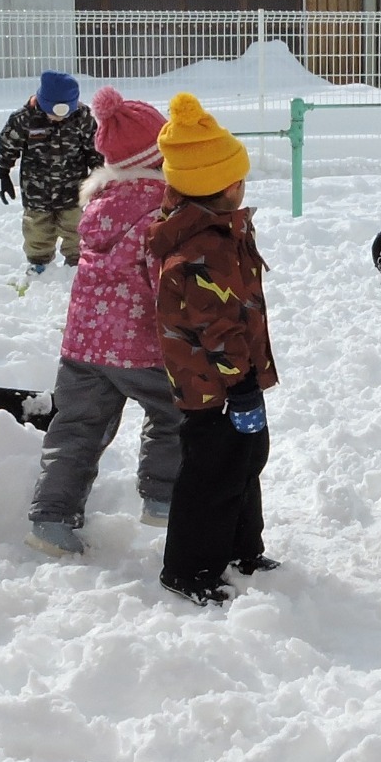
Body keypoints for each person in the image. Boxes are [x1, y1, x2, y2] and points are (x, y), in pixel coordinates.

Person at [26, 88, 182, 557]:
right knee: (173, 413)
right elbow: (163, 283)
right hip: (140, 347)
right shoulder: (159, 209)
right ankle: (162, 497)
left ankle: (50, 519)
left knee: (75, 429)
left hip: (83, 349)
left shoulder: (99, 204)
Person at [146, 93, 278, 607]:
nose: (244, 186)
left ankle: (241, 549)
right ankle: (187, 567)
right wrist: (241, 384)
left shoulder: (217, 231)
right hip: (213, 385)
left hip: (231, 378)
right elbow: (218, 328)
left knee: (245, 460)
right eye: (238, 179)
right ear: (220, 186)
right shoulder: (199, 251)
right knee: (211, 475)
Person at [0, 70, 106, 276]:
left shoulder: (82, 117)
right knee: (37, 229)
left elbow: (95, 148)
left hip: (74, 189)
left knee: (76, 227)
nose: (58, 118)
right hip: (37, 190)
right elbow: (8, 145)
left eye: (64, 114)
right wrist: (3, 171)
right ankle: (38, 262)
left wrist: (98, 173)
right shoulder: (25, 119)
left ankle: (76, 262)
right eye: (54, 113)